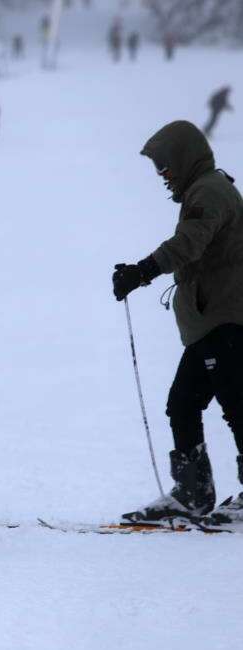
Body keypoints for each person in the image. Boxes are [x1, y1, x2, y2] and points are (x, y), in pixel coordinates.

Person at [112, 120, 243, 527]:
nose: (163, 175)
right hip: (211, 322)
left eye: (165, 165)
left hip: (226, 318)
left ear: (185, 158)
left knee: (237, 406)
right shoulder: (206, 189)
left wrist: (142, 270)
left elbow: (189, 243)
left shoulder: (209, 191)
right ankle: (192, 493)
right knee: (183, 404)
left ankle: (201, 494)